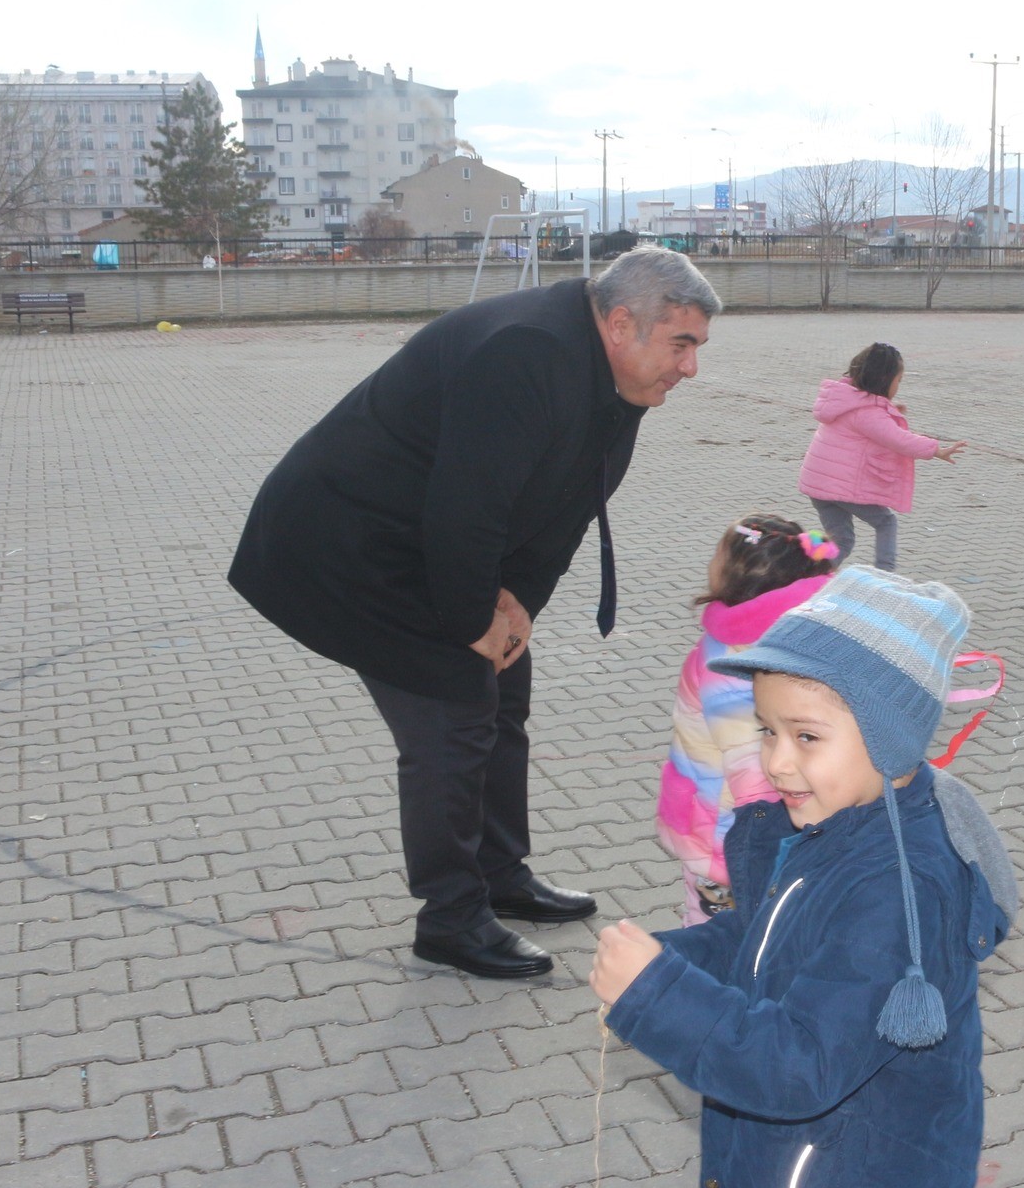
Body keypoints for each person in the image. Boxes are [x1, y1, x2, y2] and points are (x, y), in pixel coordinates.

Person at [228, 248, 721, 981]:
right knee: (454, 712)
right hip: (349, 543)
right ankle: (451, 916)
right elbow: (465, 511)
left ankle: (500, 872)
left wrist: (518, 605)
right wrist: (471, 622)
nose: (690, 367)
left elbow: (567, 507)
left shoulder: (618, 379)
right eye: (681, 343)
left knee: (505, 687)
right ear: (622, 323)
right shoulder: (527, 352)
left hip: (431, 541)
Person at [590, 569, 1018, 1188]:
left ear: (888, 738)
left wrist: (657, 997)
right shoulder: (834, 823)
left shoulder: (898, 890)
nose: (777, 761)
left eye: (806, 736)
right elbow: (768, 942)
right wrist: (673, 958)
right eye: (767, 729)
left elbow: (800, 1063)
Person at [656, 515, 838, 924]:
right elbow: (754, 773)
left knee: (726, 943)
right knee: (721, 943)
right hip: (734, 844)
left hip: (734, 836)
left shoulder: (748, 656)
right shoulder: (740, 667)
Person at [797, 342, 965, 571]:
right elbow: (898, 439)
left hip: (819, 485)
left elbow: (870, 420)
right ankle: (884, 577)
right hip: (840, 487)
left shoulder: (846, 399)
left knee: (842, 541)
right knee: (886, 522)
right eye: (898, 381)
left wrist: (890, 410)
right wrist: (935, 450)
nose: (898, 386)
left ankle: (808, 578)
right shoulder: (868, 414)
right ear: (885, 380)